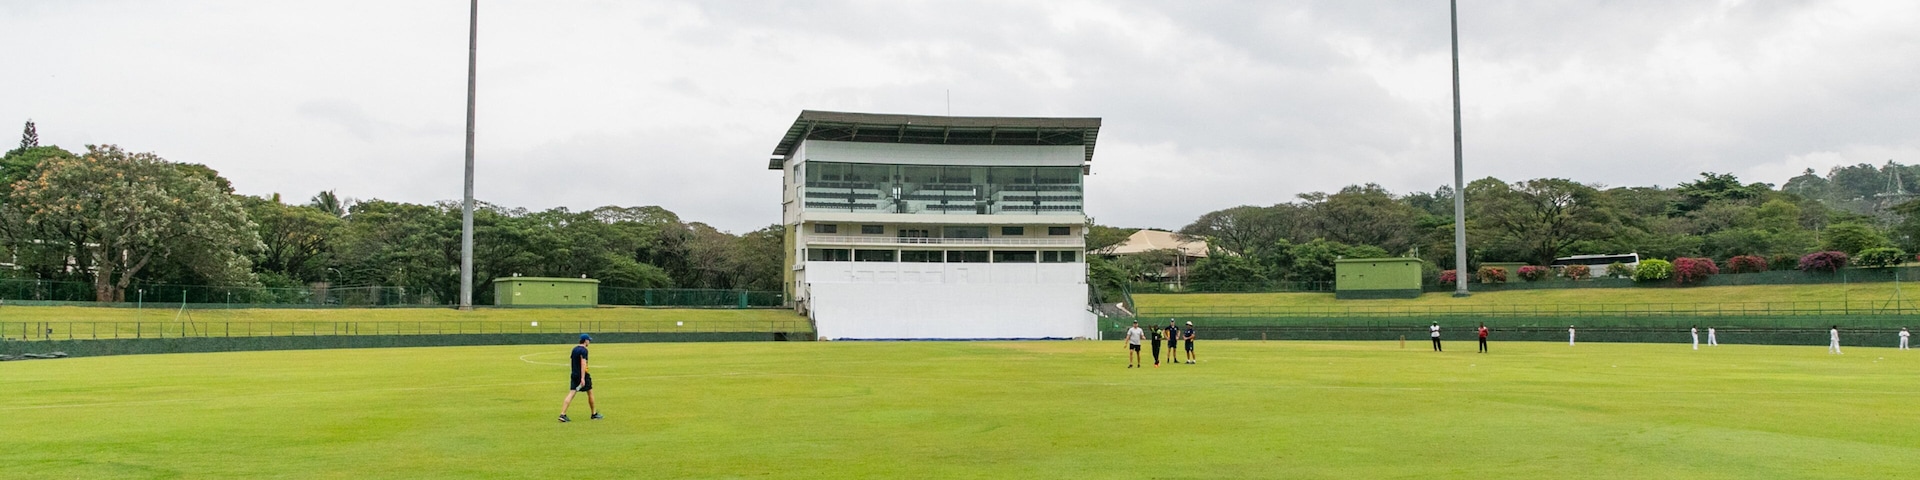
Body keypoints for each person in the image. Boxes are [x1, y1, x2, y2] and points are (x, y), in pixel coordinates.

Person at [559, 334, 602, 423]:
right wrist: (582, 378)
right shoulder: (584, 350)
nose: (589, 342)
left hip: (574, 374)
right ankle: (593, 414)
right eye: (588, 340)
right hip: (583, 375)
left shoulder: (574, 349)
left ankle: (562, 414)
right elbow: (583, 363)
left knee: (571, 394)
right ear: (585, 341)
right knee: (590, 393)